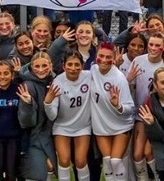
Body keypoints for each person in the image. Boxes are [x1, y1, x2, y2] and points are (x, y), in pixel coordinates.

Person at [128, 32, 164, 181]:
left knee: (149, 152)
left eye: (157, 45)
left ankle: (157, 177)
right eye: (151, 44)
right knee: (137, 154)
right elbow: (131, 89)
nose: (153, 48)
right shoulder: (138, 61)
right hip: (141, 114)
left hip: (159, 116)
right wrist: (128, 80)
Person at [44, 51, 95, 181]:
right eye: (70, 64)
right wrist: (48, 103)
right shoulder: (58, 81)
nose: (73, 68)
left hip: (83, 126)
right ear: (63, 66)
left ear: (82, 66)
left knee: (80, 160)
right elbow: (52, 116)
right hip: (62, 126)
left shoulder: (89, 76)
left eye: (77, 65)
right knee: (64, 159)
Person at [90, 43, 136, 181]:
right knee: (108, 161)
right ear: (96, 56)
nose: (104, 60)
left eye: (108, 57)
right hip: (101, 126)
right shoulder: (93, 70)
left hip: (121, 125)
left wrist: (118, 106)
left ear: (114, 58)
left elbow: (130, 108)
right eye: (101, 56)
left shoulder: (119, 78)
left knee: (116, 161)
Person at [18, 52, 59, 181]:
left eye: (44, 66)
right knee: (37, 173)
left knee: (51, 167)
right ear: (31, 67)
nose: (41, 70)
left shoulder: (56, 81)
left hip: (54, 134)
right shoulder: (27, 86)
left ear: (50, 65)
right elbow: (25, 121)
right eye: (37, 66)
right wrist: (28, 103)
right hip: (34, 137)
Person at [0, 62, 24, 181]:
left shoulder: (18, 89)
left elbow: (22, 115)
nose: (2, 77)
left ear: (12, 75)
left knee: (11, 170)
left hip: (13, 137)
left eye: (6, 73)